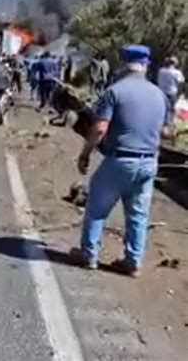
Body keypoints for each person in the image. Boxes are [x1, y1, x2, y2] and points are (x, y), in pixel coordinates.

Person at [76, 44, 170, 277]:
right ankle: (132, 261)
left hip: (120, 160)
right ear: (146, 65)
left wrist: (85, 154)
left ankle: (89, 255)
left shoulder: (115, 91)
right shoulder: (160, 95)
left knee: (97, 208)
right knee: (138, 215)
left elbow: (99, 129)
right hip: (148, 163)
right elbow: (166, 132)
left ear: (123, 63)